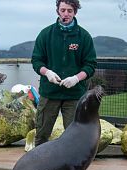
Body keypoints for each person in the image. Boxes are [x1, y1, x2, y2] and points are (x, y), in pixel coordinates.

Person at [31, 0, 97, 146]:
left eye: (69, 10)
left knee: (75, 137)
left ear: (75, 12)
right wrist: (47, 72)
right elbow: (36, 61)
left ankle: (71, 168)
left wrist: (76, 78)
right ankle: (40, 166)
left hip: (74, 94)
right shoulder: (46, 34)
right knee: (41, 135)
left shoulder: (84, 37)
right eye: (63, 10)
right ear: (57, 11)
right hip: (49, 93)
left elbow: (90, 65)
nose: (66, 14)